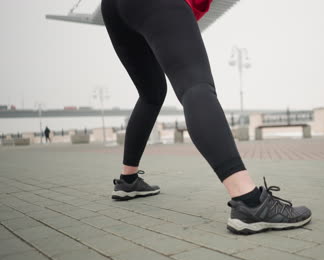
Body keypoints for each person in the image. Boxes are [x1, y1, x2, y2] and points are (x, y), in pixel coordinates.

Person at [101, 0, 311, 234]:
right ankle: (250, 202)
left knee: (151, 94)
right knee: (195, 86)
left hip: (113, 8)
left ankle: (128, 181)